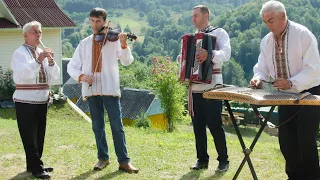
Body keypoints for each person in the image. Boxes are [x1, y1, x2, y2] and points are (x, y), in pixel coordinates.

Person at [250, 1, 320, 179]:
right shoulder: (266, 41)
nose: (268, 25)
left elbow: (314, 69)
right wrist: (258, 78)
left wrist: (291, 82)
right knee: (286, 142)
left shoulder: (303, 34)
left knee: (305, 141)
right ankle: (293, 177)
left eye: (271, 20)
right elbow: (262, 67)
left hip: (309, 93)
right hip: (283, 96)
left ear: (283, 16)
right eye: (265, 22)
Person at [67, 7, 138, 173]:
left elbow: (127, 62)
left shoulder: (114, 41)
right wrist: (81, 76)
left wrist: (123, 44)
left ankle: (124, 161)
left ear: (105, 22)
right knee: (97, 126)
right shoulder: (84, 43)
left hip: (109, 89)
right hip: (91, 90)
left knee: (117, 126)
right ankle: (103, 158)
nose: (94, 24)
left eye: (98, 21)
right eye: (92, 21)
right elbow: (72, 66)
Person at [178, 5, 231, 172]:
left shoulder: (219, 33)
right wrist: (183, 59)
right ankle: (202, 160)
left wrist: (210, 54)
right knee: (198, 125)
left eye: (196, 16)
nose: (193, 19)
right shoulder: (190, 38)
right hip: (195, 88)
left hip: (213, 86)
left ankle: (223, 160)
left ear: (206, 15)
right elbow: (185, 60)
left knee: (215, 125)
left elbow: (226, 54)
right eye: (192, 16)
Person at [11, 21, 59, 179]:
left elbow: (55, 76)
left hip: (41, 100)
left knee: (39, 134)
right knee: (29, 135)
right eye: (34, 32)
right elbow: (21, 76)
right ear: (25, 35)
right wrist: (39, 60)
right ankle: (37, 167)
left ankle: (33, 164)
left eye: (40, 32)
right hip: (25, 101)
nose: (38, 34)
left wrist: (50, 61)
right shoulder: (19, 53)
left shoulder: (41, 52)